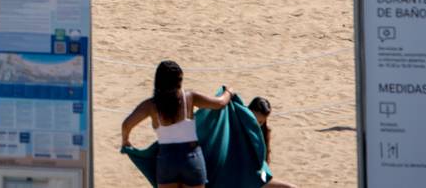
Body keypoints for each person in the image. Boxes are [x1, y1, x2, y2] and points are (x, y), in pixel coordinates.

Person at [121, 60, 234, 188]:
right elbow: (219, 103)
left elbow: (126, 125)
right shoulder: (189, 98)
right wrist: (228, 92)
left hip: (166, 160)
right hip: (191, 158)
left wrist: (126, 141)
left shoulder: (151, 105)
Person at [247, 97, 298, 188]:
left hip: (254, 178)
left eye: (261, 122)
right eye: (254, 120)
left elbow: (263, 170)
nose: (257, 125)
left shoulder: (263, 133)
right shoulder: (237, 131)